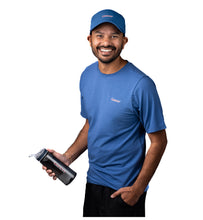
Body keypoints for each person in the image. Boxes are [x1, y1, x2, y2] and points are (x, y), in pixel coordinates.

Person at [43, 9, 167, 217]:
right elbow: (92, 123)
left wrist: (138, 189)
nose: (106, 42)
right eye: (100, 35)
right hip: (93, 183)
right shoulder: (87, 75)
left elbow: (159, 141)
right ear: (90, 39)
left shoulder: (142, 85)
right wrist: (66, 158)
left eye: (114, 36)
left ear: (124, 41)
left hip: (125, 190)